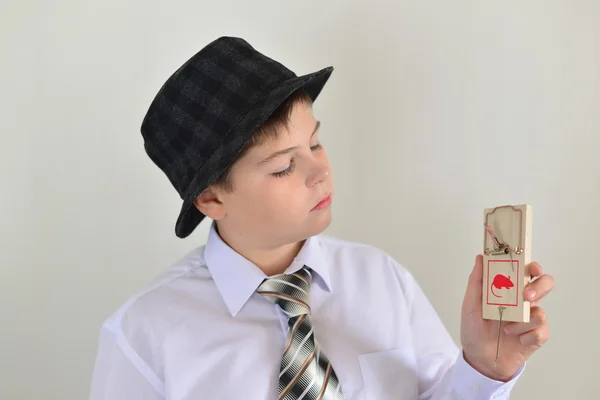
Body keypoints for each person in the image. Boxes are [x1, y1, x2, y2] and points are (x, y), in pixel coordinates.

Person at [89, 36, 555, 400]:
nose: (320, 171)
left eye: (314, 143)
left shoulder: (382, 280)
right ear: (210, 199)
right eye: (283, 166)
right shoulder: (144, 333)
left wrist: (485, 367)